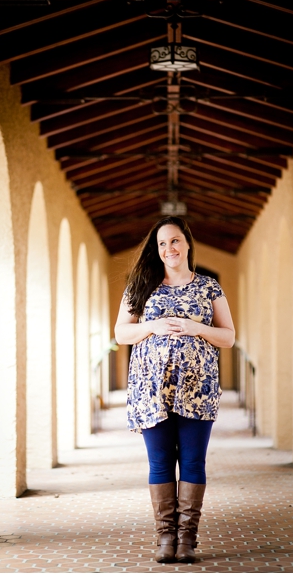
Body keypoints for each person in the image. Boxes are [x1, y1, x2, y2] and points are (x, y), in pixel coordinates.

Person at [114, 216, 235, 564]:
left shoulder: (209, 287)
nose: (170, 248)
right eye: (163, 243)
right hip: (151, 391)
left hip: (198, 389)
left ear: (187, 244)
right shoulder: (140, 286)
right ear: (157, 250)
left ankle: (187, 541)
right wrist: (151, 325)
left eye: (176, 240)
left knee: (193, 461)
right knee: (161, 462)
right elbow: (122, 333)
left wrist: (196, 328)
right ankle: (165, 539)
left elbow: (228, 336)